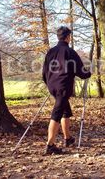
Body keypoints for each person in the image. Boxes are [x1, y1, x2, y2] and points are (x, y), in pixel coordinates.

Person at [42, 26, 91, 155]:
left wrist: (49, 83)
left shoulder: (51, 52)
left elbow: (44, 72)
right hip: (63, 87)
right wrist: (88, 73)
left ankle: (67, 138)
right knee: (57, 114)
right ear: (68, 37)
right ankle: (50, 145)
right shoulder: (70, 52)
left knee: (65, 111)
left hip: (52, 85)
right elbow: (80, 71)